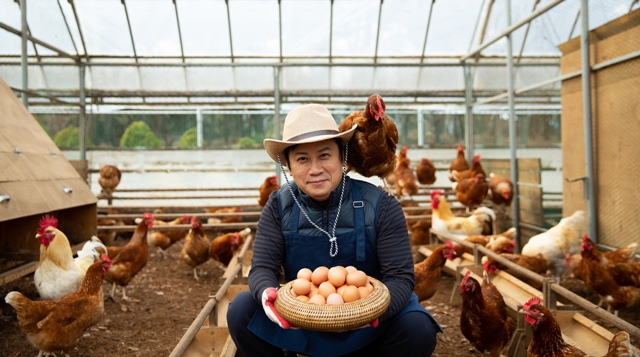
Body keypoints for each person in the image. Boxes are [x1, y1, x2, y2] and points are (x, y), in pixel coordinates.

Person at [227, 104, 441, 357]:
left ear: (342, 157)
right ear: (288, 165)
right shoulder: (278, 205)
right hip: (303, 320)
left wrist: (372, 313)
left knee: (417, 328)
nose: (315, 169)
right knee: (242, 309)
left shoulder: (382, 205)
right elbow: (263, 266)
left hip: (369, 323)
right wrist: (268, 294)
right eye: (302, 158)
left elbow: (400, 277)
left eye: (325, 155)